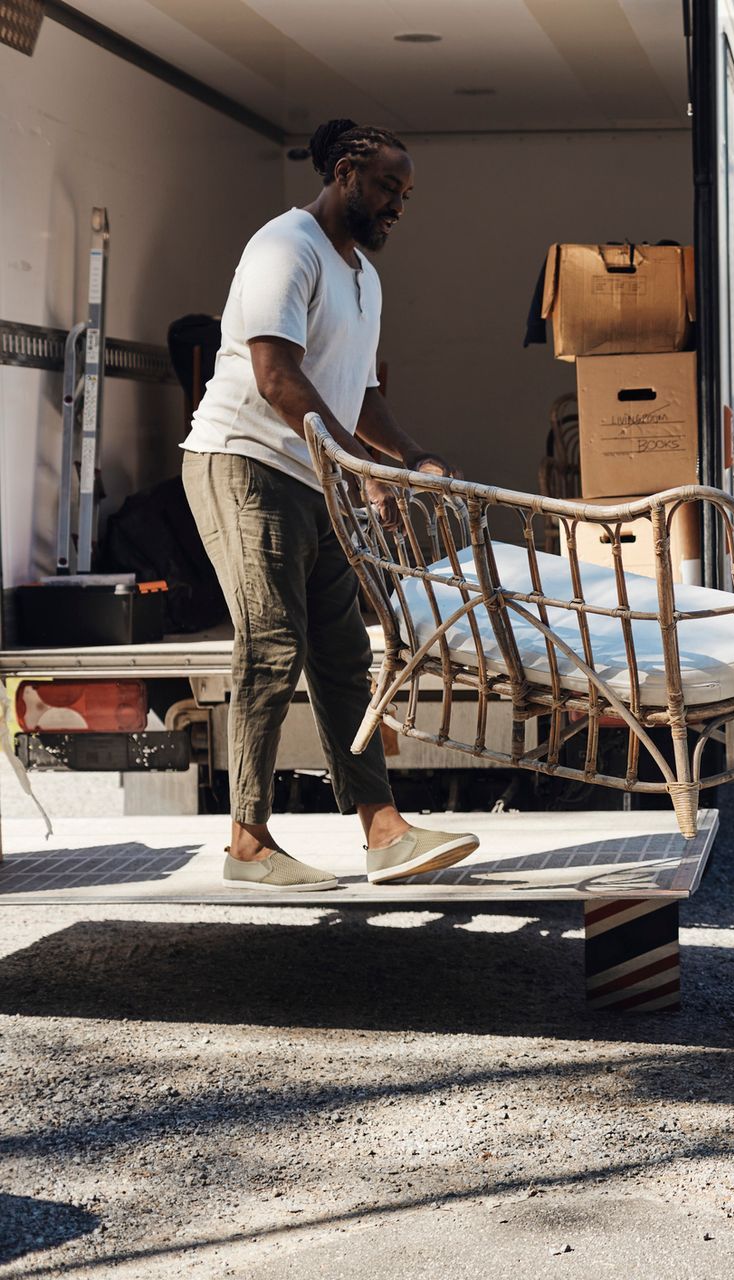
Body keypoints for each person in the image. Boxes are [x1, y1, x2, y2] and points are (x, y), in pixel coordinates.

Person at [181, 118, 478, 893]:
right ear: (347, 171)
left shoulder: (362, 277)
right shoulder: (285, 247)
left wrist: (408, 455)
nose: (398, 207)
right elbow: (276, 374)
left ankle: (384, 834)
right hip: (244, 464)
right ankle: (248, 844)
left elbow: (361, 392)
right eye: (388, 187)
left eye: (406, 196)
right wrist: (354, 471)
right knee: (273, 646)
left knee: (347, 656)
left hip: (310, 477)